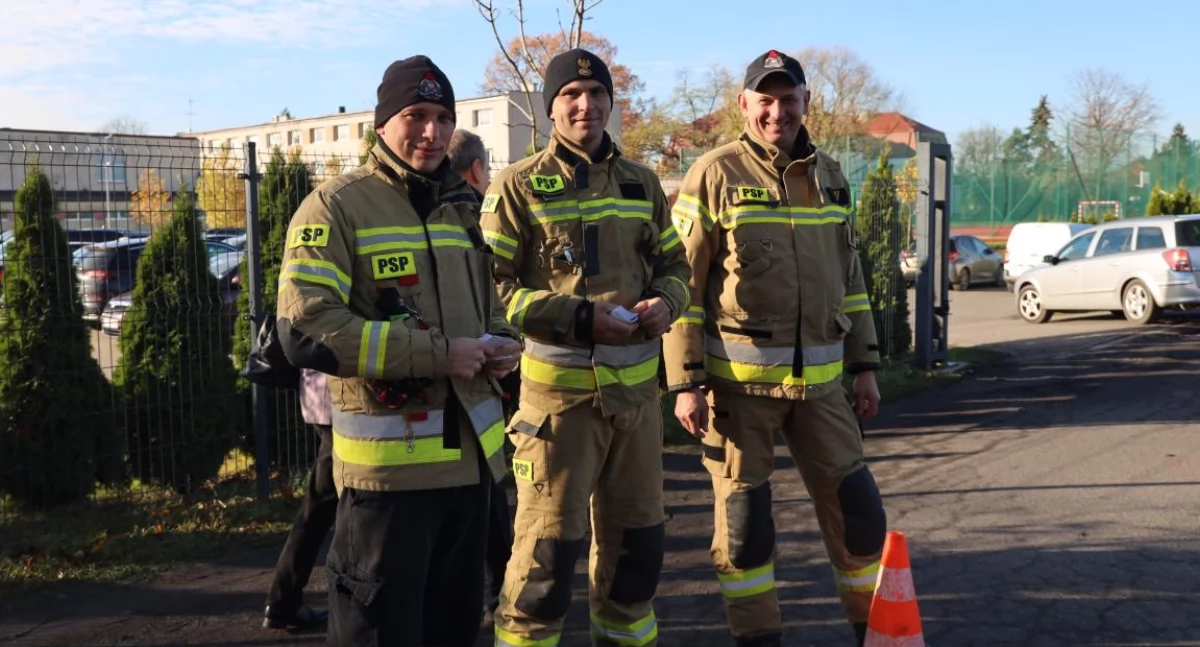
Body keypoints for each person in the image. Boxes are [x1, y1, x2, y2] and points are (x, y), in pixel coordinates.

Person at [275, 54, 522, 647]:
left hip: (470, 473)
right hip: (388, 484)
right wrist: (439, 354)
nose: (432, 132)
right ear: (381, 123)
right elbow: (305, 326)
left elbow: (487, 307)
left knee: (454, 632)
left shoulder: (460, 207)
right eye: (416, 116)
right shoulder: (336, 206)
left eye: (443, 117)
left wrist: (502, 343)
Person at [662, 49, 888, 647]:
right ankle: (758, 638)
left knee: (861, 518)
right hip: (738, 393)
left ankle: (875, 633)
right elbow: (682, 286)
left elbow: (851, 281)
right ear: (744, 104)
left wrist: (865, 366)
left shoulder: (831, 176)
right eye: (765, 100)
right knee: (746, 532)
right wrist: (685, 382)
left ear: (807, 103)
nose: (777, 112)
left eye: (789, 100)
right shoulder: (713, 173)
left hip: (823, 391)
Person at [479, 48, 691, 647]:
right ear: (551, 107)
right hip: (558, 412)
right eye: (571, 95)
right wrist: (578, 318)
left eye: (597, 93)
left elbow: (676, 267)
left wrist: (666, 303)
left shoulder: (641, 182)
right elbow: (491, 292)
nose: (585, 105)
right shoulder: (516, 186)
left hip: (636, 410)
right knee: (543, 570)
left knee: (636, 562)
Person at [448, 127, 515, 621]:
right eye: (487, 170)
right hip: (470, 389)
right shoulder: (471, 219)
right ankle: (496, 597)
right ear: (476, 170)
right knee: (486, 496)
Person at [261, 368, 335, 631]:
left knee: (322, 505)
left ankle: (283, 601)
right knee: (322, 506)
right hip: (341, 402)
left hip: (322, 397)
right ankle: (283, 600)